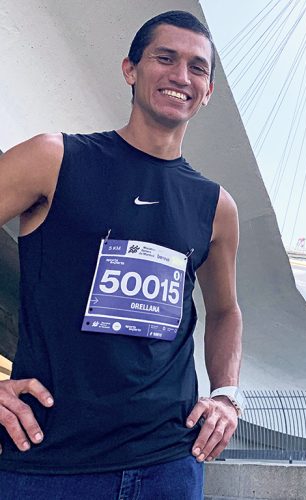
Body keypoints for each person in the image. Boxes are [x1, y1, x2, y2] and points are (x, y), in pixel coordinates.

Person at [0, 10, 243, 499]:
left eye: (198, 68)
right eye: (165, 58)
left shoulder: (215, 206)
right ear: (130, 69)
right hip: (47, 462)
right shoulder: (54, 159)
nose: (181, 76)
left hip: (168, 465)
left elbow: (225, 310)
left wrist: (226, 396)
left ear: (209, 91)